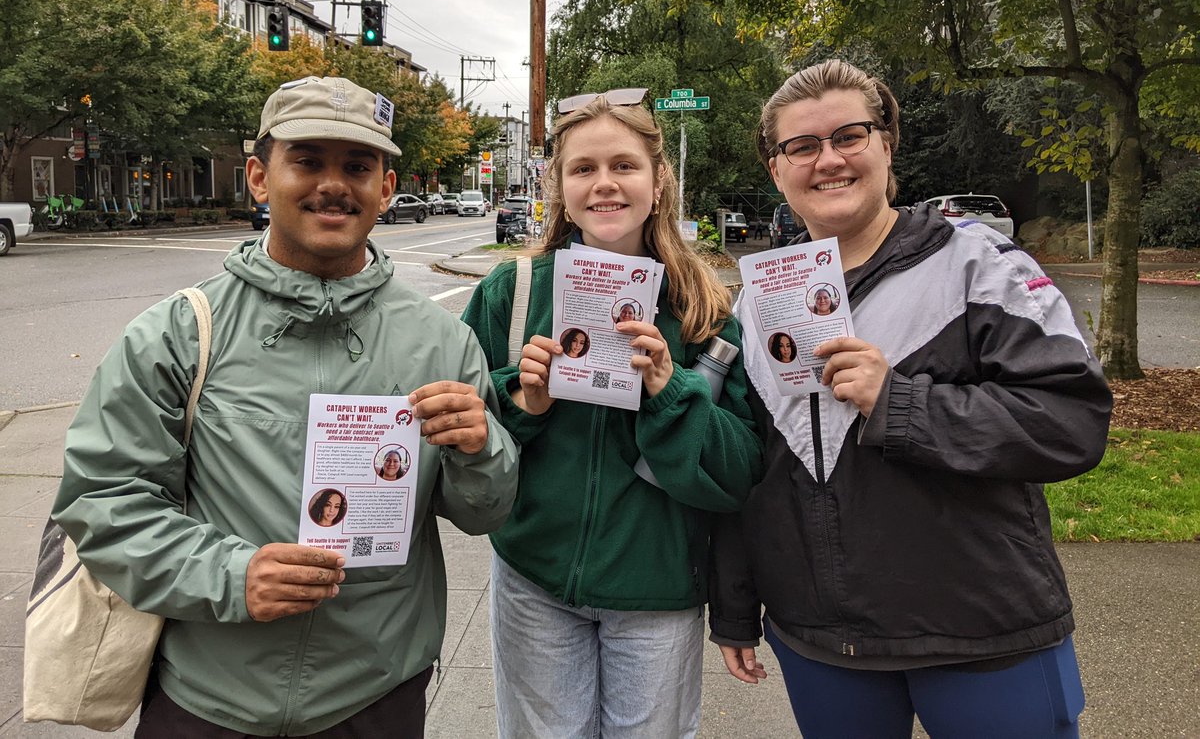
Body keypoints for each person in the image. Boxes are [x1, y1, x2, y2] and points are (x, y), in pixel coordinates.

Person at [53, 75, 519, 737]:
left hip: (376, 693)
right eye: (307, 161)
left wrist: (482, 449)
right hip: (208, 697)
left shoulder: (444, 341)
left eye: (357, 166)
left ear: (386, 188)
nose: (334, 183)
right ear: (258, 177)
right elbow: (102, 504)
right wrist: (232, 574)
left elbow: (484, 512)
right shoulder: (181, 332)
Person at [710, 60, 1111, 738]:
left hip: (980, 636)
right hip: (824, 644)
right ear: (776, 171)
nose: (827, 160)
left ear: (887, 145)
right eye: (802, 146)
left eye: (849, 136)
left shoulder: (977, 263)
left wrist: (897, 401)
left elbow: (1071, 421)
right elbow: (755, 468)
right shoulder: (758, 301)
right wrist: (735, 605)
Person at [461, 88, 764, 738]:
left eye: (623, 166)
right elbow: (456, 440)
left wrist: (668, 389)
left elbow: (740, 471)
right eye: (583, 168)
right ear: (559, 186)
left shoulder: (703, 314)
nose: (604, 184)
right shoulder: (510, 294)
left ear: (658, 182)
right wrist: (524, 401)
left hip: (656, 592)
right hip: (534, 584)